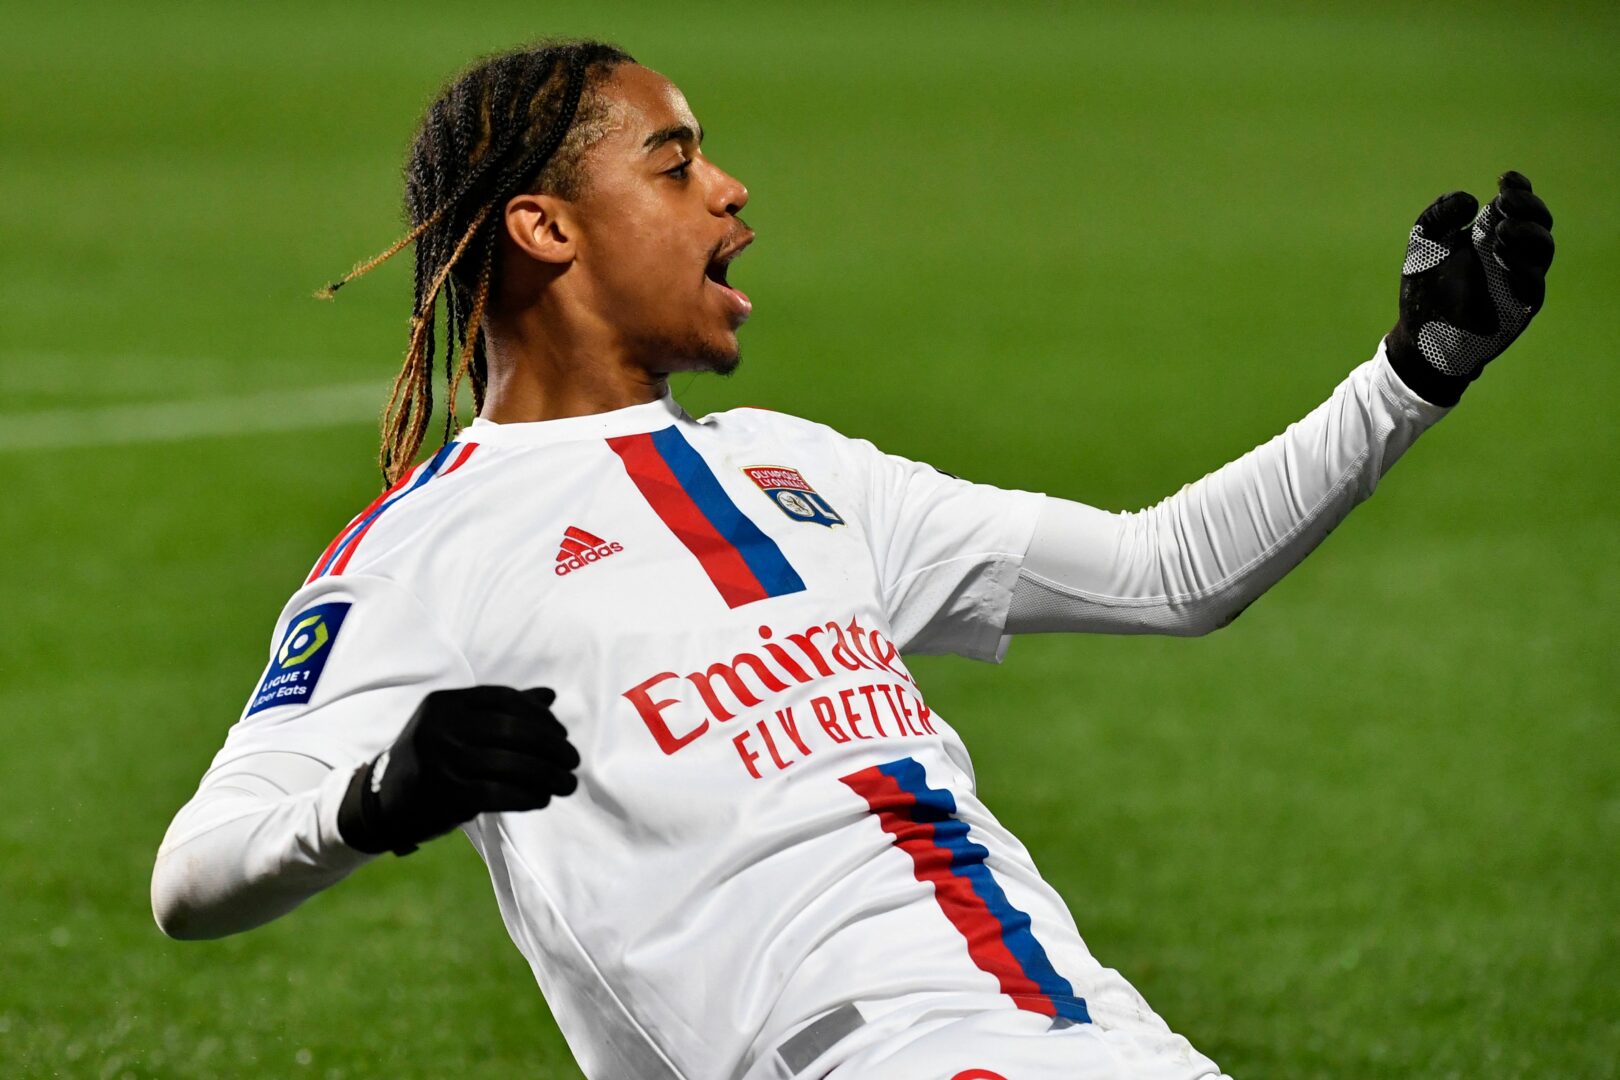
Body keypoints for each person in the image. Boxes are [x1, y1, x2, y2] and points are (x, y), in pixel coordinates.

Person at [150, 39, 1554, 1080]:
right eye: (675, 164)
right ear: (545, 226)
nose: (730, 190)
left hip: (1101, 1035)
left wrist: (1412, 376)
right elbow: (192, 877)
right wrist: (379, 799)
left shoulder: (798, 467)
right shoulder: (421, 551)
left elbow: (1166, 571)